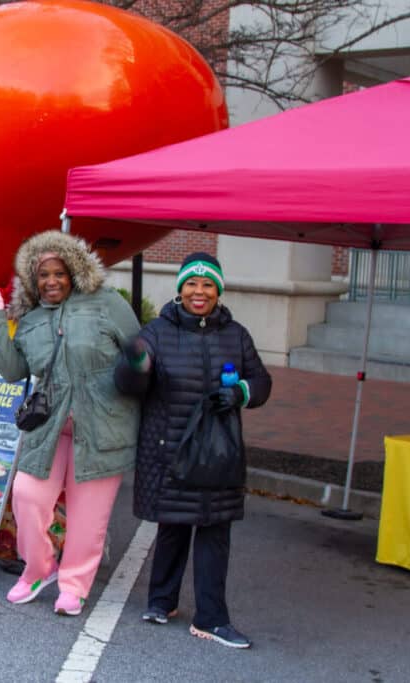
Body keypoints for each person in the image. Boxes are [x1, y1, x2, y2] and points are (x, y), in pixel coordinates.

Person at [114, 251, 271, 648]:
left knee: (214, 530)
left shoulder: (236, 334)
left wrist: (240, 392)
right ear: (180, 288)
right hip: (170, 448)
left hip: (218, 452)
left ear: (217, 291)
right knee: (173, 525)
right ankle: (161, 601)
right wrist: (134, 365)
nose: (199, 292)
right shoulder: (157, 331)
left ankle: (212, 618)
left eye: (207, 285)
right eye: (191, 284)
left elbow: (261, 382)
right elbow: (130, 385)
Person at [0, 230, 139, 616]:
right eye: (42, 275)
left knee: (88, 518)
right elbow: (13, 369)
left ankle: (75, 585)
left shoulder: (106, 304)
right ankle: (39, 569)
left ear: (74, 272)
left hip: (102, 426)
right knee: (28, 496)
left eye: (59, 273)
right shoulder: (32, 320)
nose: (51, 281)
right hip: (48, 427)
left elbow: (139, 349)